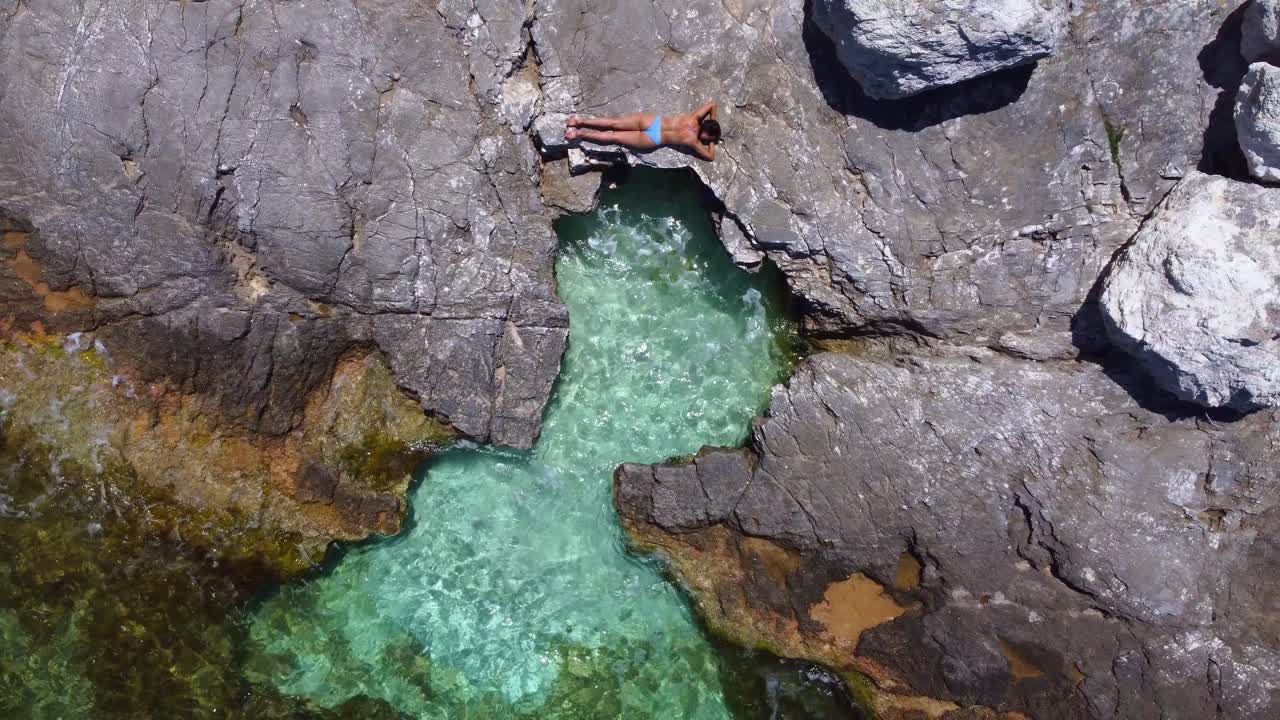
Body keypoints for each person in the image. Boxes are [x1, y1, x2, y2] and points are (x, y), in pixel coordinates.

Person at [564, 102, 721, 161]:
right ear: (707, 133)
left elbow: (712, 105)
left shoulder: (693, 118)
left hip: (653, 121)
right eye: (709, 137)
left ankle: (578, 122)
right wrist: (712, 143)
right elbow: (710, 157)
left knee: (614, 122)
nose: (708, 140)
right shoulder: (693, 141)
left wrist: (713, 121)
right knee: (614, 136)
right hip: (653, 138)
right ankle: (579, 134)